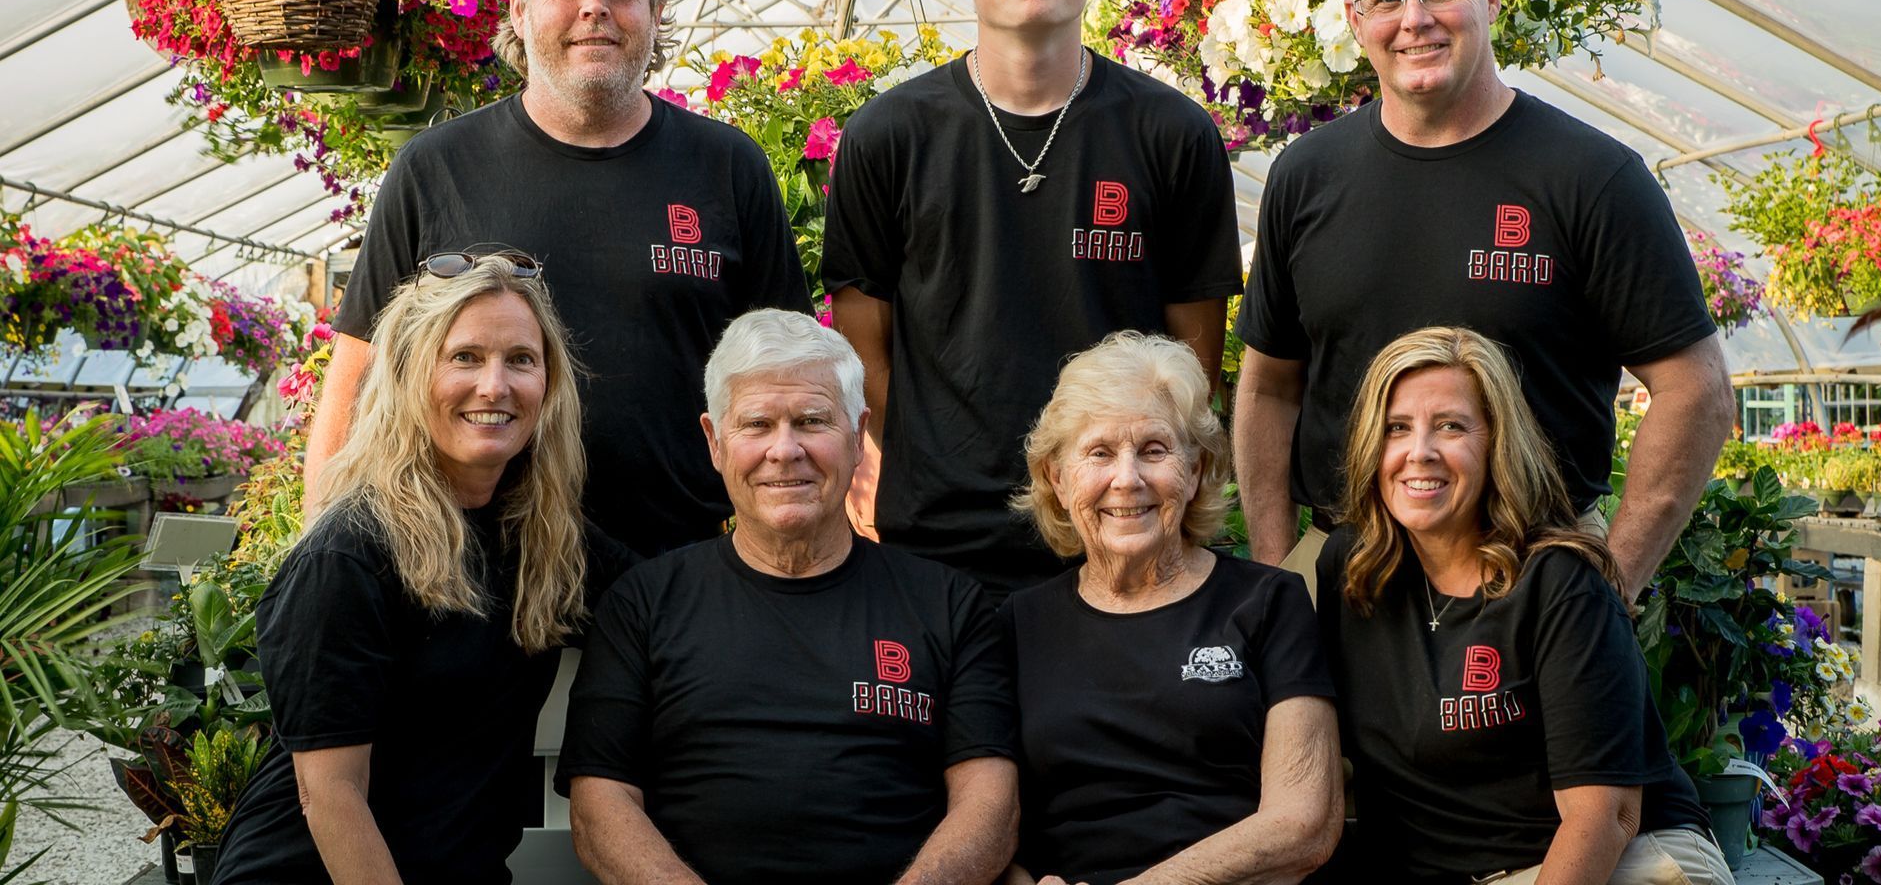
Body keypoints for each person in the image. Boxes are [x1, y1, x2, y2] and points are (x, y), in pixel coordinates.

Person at [1233, 0, 1732, 600]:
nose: (1415, 19)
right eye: (1385, 0)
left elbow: (1697, 390)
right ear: (1354, 20)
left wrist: (1610, 588)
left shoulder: (1591, 177)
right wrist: (1280, 567)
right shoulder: (1307, 176)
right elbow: (1267, 386)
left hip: (1531, 575)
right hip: (1342, 574)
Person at [308, 0, 810, 558]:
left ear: (656, 13)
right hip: (468, 571)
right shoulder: (436, 169)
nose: (593, 6)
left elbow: (789, 369)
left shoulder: (726, 167)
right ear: (519, 8)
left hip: (677, 567)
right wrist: (318, 554)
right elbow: (358, 372)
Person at [825, 0, 1244, 599]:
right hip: (939, 540)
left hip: (1117, 531)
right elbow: (864, 348)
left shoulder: (1171, 134)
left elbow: (1192, 364)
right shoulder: (890, 135)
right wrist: (931, 454)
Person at [214, 254, 637, 884]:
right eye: (464, 356)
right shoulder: (350, 553)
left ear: (548, 384)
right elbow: (329, 796)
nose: (495, 385)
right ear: (410, 374)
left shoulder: (543, 536)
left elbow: (659, 602)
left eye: (520, 359)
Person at [557, 308, 1018, 885]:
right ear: (715, 441)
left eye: (811, 420)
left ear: (857, 436)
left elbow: (990, 805)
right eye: (756, 424)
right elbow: (601, 805)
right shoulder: (642, 605)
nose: (785, 449)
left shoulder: (950, 607)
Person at [1315, 326, 1731, 885]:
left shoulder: (1560, 583)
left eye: (1451, 426)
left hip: (1616, 862)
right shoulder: (1352, 570)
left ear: (1496, 443)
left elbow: (1606, 817)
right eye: (1397, 429)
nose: (1420, 453)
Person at [1003, 333, 1342, 885]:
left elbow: (1304, 823)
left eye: (1155, 450)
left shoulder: (1269, 602)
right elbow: (987, 818)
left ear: (1197, 470)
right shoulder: (1014, 626)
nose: (1127, 479)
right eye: (1099, 453)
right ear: (1057, 480)